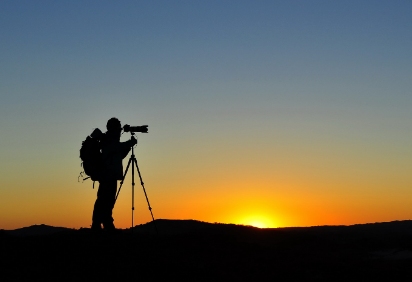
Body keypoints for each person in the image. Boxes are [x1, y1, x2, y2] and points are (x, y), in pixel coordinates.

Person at [91, 117, 137, 232]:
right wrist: (130, 143)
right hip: (107, 175)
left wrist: (129, 146)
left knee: (108, 200)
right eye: (118, 127)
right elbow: (117, 148)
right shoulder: (108, 139)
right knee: (104, 200)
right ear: (113, 128)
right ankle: (99, 224)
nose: (120, 129)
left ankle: (105, 223)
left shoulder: (111, 140)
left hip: (110, 175)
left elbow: (119, 155)